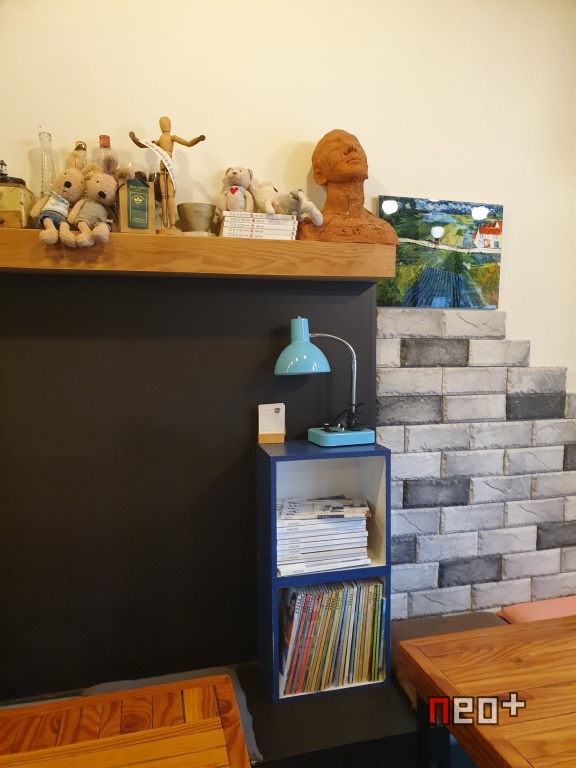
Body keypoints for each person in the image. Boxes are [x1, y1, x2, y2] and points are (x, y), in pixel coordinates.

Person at [298, 129, 398, 245]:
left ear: (366, 167)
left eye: (356, 144)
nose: (350, 146)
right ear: (319, 176)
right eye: (335, 144)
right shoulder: (308, 230)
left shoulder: (384, 232)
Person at [129, 117, 205, 234]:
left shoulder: (172, 137)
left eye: (165, 123)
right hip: (162, 166)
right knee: (164, 197)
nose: (164, 126)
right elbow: (142, 145)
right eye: (162, 124)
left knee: (169, 196)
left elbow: (188, 143)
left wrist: (199, 139)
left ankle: (172, 225)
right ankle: (165, 225)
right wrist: (134, 138)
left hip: (169, 167)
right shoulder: (159, 140)